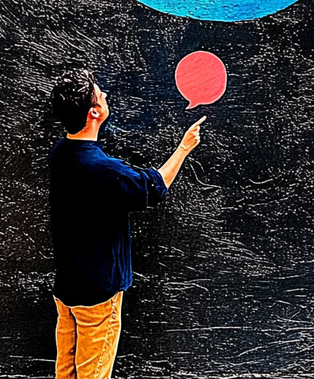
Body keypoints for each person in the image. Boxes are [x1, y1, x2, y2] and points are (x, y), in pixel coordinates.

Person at [48, 68, 205, 379]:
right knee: (94, 375)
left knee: (65, 372)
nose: (105, 95)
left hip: (68, 288)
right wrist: (185, 147)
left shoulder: (60, 154)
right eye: (99, 93)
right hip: (99, 293)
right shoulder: (102, 169)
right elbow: (154, 187)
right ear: (94, 112)